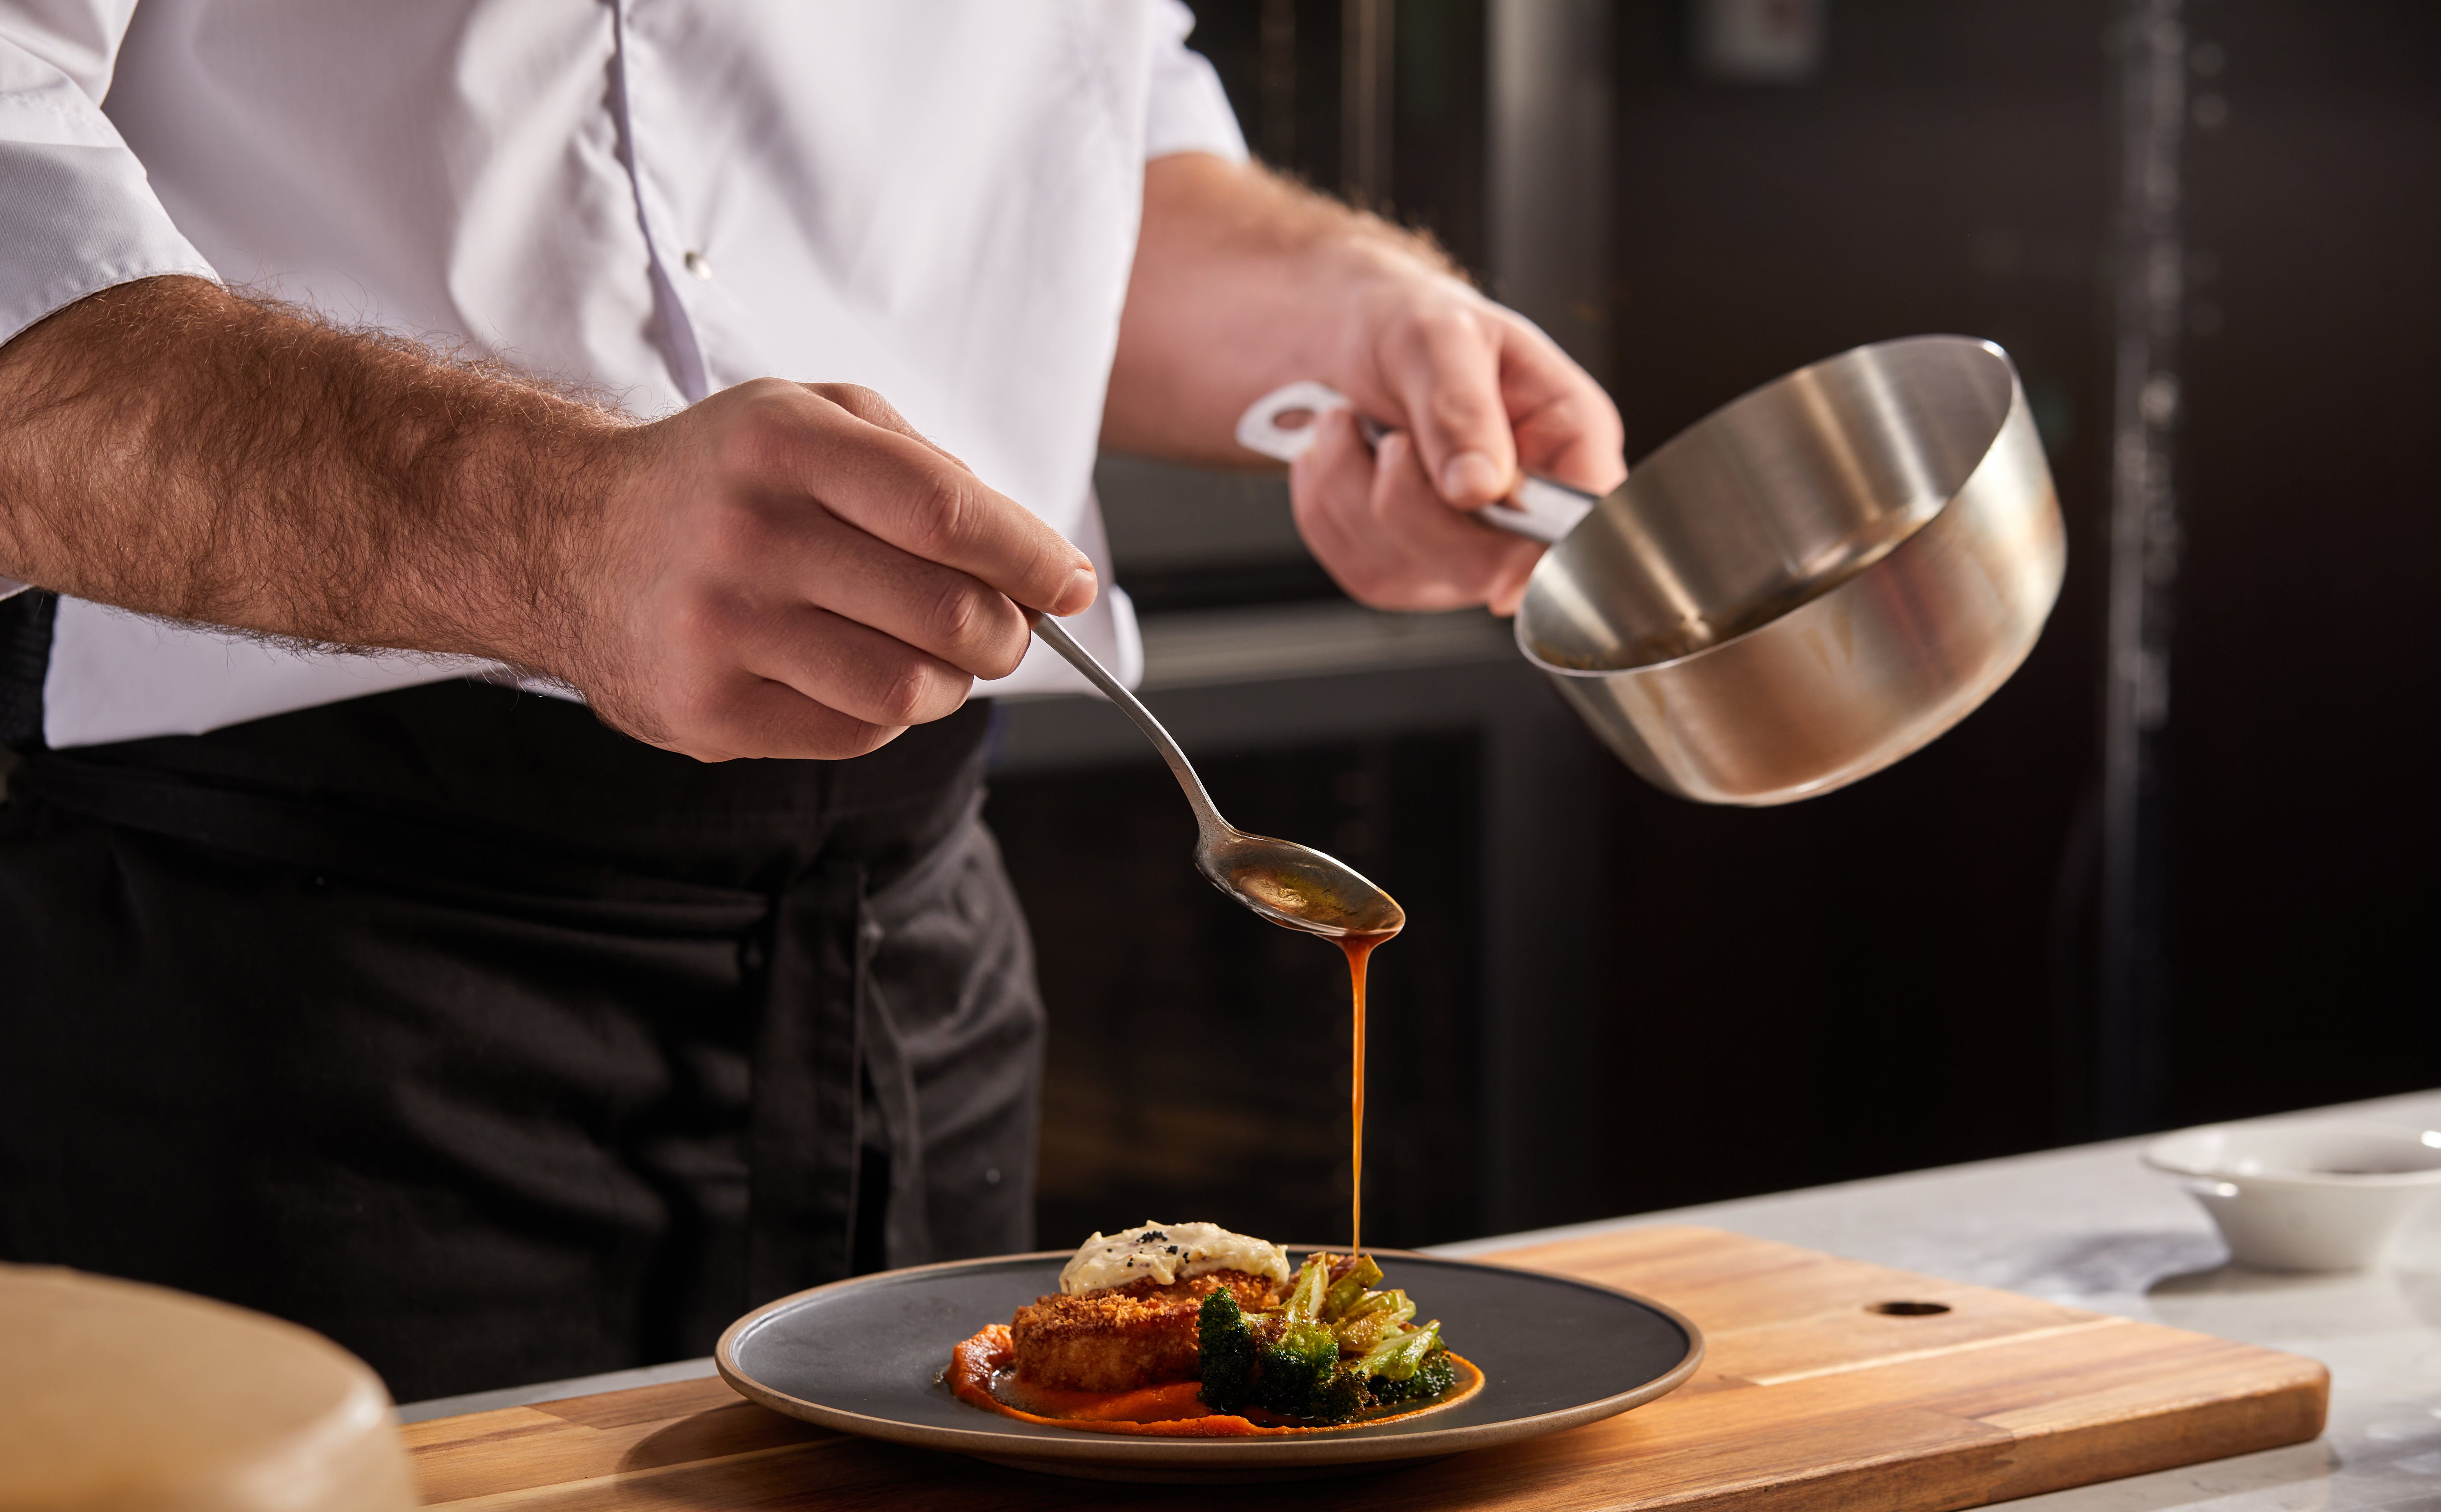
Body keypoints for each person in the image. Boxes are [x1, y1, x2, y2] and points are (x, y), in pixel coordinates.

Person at [0, 2, 1624, 1402]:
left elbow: (1071, 158)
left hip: (918, 960)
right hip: (279, 987)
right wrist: (559, 533)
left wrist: (1352, 318)